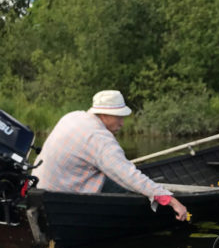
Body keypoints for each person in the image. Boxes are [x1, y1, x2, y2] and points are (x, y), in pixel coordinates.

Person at [32, 90, 187, 221]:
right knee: (127, 186)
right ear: (104, 114)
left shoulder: (73, 116)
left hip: (39, 189)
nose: (122, 123)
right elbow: (130, 176)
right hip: (61, 200)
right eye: (119, 117)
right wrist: (171, 200)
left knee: (116, 177)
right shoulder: (101, 140)